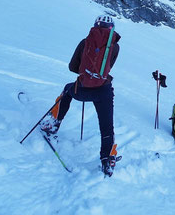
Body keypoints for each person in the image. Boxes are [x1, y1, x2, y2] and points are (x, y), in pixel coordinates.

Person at [41, 15, 122, 177]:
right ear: (111, 28)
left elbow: (73, 67)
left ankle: (53, 124)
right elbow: (109, 67)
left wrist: (86, 72)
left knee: (67, 90)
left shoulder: (85, 42)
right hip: (103, 91)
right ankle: (107, 159)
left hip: (82, 89)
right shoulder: (115, 46)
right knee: (107, 126)